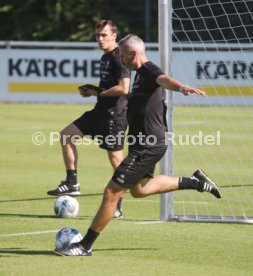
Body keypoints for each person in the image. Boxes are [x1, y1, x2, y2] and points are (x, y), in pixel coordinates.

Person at [55, 34, 222, 256]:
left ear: (134, 54)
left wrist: (182, 88)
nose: (122, 61)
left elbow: (164, 79)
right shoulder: (139, 76)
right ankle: (196, 182)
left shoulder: (149, 70)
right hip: (141, 143)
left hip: (148, 145)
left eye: (123, 56)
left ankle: (84, 246)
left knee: (111, 192)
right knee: (140, 189)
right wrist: (98, 93)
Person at [47, 20, 131, 218]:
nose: (100, 39)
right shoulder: (105, 57)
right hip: (99, 112)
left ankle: (117, 203)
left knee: (116, 160)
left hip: (114, 116)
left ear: (114, 36)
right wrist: (94, 92)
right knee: (66, 136)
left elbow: (124, 88)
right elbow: (106, 90)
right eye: (98, 35)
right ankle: (72, 182)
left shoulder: (119, 57)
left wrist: (96, 91)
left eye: (104, 35)